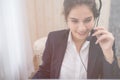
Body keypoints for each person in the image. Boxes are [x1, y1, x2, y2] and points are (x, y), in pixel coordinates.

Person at [32, 0, 120, 79]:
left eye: (87, 20)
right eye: (74, 21)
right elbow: (44, 72)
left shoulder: (103, 42)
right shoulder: (54, 39)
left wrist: (108, 53)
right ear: (67, 20)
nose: (82, 28)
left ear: (95, 18)